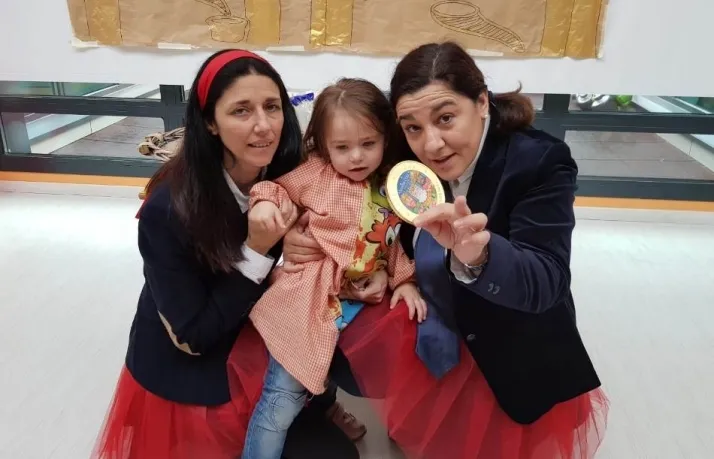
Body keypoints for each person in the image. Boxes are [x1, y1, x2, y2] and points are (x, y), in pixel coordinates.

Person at [282, 41, 609, 459]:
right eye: (413, 127)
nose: (432, 145)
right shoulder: (404, 153)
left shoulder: (539, 162)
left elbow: (548, 279)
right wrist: (302, 236)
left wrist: (481, 257)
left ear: (482, 102)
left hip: (507, 336)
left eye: (446, 118)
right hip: (432, 318)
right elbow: (356, 197)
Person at [91, 49, 362, 459]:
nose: (264, 126)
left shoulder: (289, 167)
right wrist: (259, 250)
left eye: (272, 107)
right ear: (210, 123)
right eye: (241, 111)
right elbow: (194, 336)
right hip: (201, 361)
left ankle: (319, 402)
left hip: (271, 326)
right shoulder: (168, 209)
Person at [237, 78, 427, 459]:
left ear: (385, 138)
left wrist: (405, 281)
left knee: (328, 374)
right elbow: (274, 188)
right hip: (308, 302)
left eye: (368, 144)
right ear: (324, 146)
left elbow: (388, 240)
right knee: (281, 400)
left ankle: (328, 409)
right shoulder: (316, 173)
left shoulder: (391, 185)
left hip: (352, 305)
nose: (356, 157)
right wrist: (266, 204)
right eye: (342, 147)